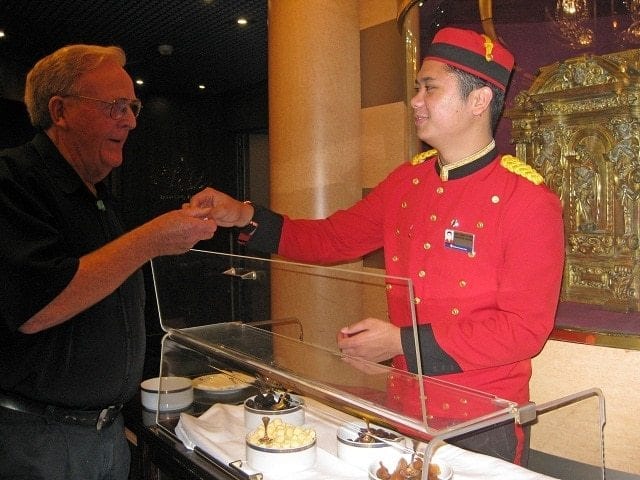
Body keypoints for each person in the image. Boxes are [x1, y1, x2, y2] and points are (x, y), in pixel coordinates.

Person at [189, 27, 565, 465]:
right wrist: (246, 216)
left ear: (478, 100)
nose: (415, 100)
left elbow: (523, 330)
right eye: (416, 88)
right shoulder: (408, 181)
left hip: (480, 422)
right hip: (404, 410)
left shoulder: (528, 199)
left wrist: (400, 343)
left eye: (430, 88)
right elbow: (332, 239)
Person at [0, 45, 217, 480]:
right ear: (59, 110)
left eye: (132, 106)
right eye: (115, 106)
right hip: (37, 439)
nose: (131, 120)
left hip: (106, 432)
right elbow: (35, 307)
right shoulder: (14, 179)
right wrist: (150, 239)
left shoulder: (97, 194)